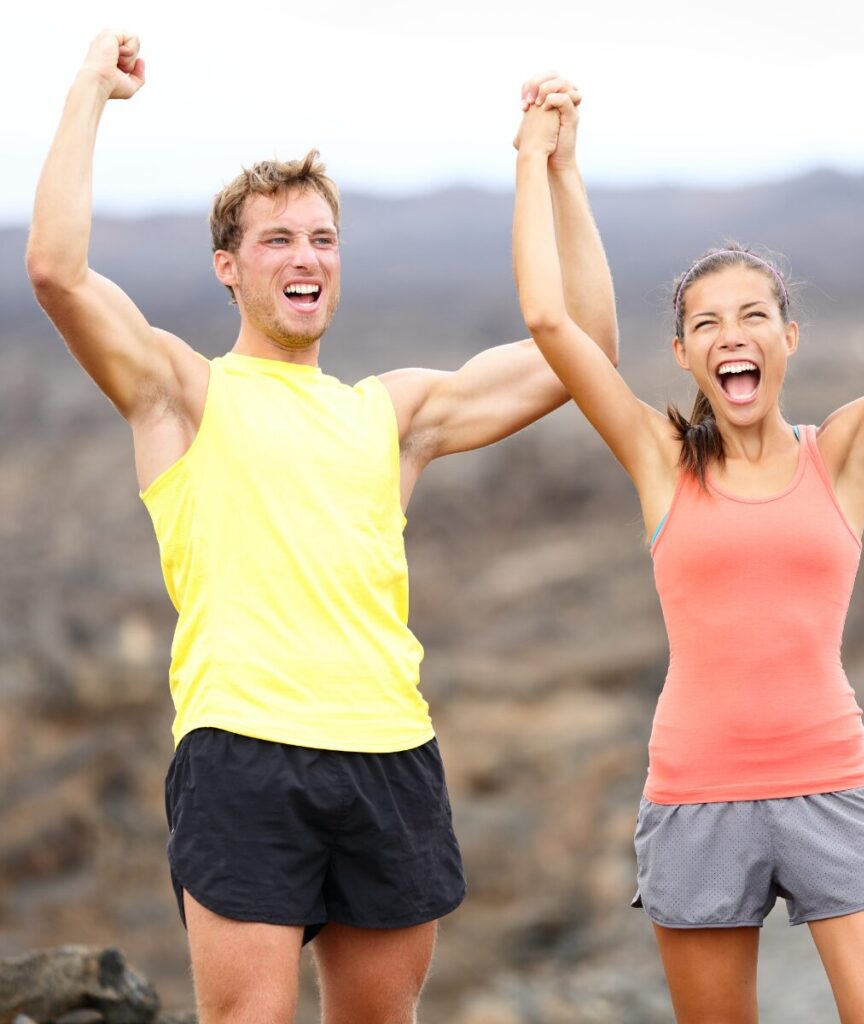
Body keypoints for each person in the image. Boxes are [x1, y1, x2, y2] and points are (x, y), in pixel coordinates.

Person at [26, 32, 616, 1024]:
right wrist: (91, 91)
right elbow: (54, 270)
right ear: (227, 265)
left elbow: (583, 352)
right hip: (243, 748)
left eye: (322, 239)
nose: (306, 258)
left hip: (391, 750)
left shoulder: (392, 412)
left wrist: (556, 171)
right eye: (277, 239)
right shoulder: (184, 393)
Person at [512, 98, 864, 1023]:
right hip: (696, 800)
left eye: (754, 316)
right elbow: (548, 317)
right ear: (686, 354)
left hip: (835, 783)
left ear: (789, 339)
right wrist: (544, 164)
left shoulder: (843, 453)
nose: (732, 334)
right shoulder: (659, 458)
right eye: (707, 324)